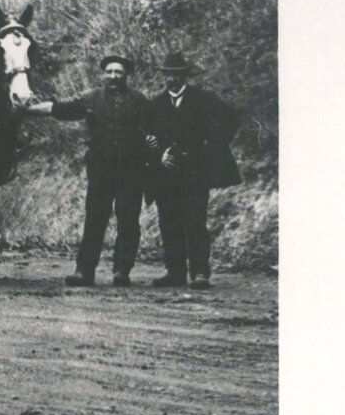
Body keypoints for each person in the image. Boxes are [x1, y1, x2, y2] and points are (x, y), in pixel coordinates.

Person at [22, 53, 153, 287]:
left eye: (118, 72)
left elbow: (155, 130)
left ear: (126, 75)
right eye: (109, 72)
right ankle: (84, 270)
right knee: (95, 217)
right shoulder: (90, 98)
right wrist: (24, 111)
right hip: (100, 168)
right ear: (103, 74)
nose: (113, 76)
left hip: (132, 169)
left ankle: (122, 270)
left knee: (128, 220)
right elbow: (59, 108)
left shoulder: (140, 101)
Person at [146, 51, 241, 289]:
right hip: (167, 174)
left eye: (177, 75)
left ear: (185, 76)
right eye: (168, 75)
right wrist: (160, 154)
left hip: (195, 173)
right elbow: (146, 136)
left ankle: (200, 272)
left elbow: (232, 118)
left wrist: (211, 146)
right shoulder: (155, 105)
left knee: (195, 222)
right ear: (163, 77)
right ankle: (174, 272)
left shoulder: (204, 99)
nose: (172, 79)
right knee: (169, 222)